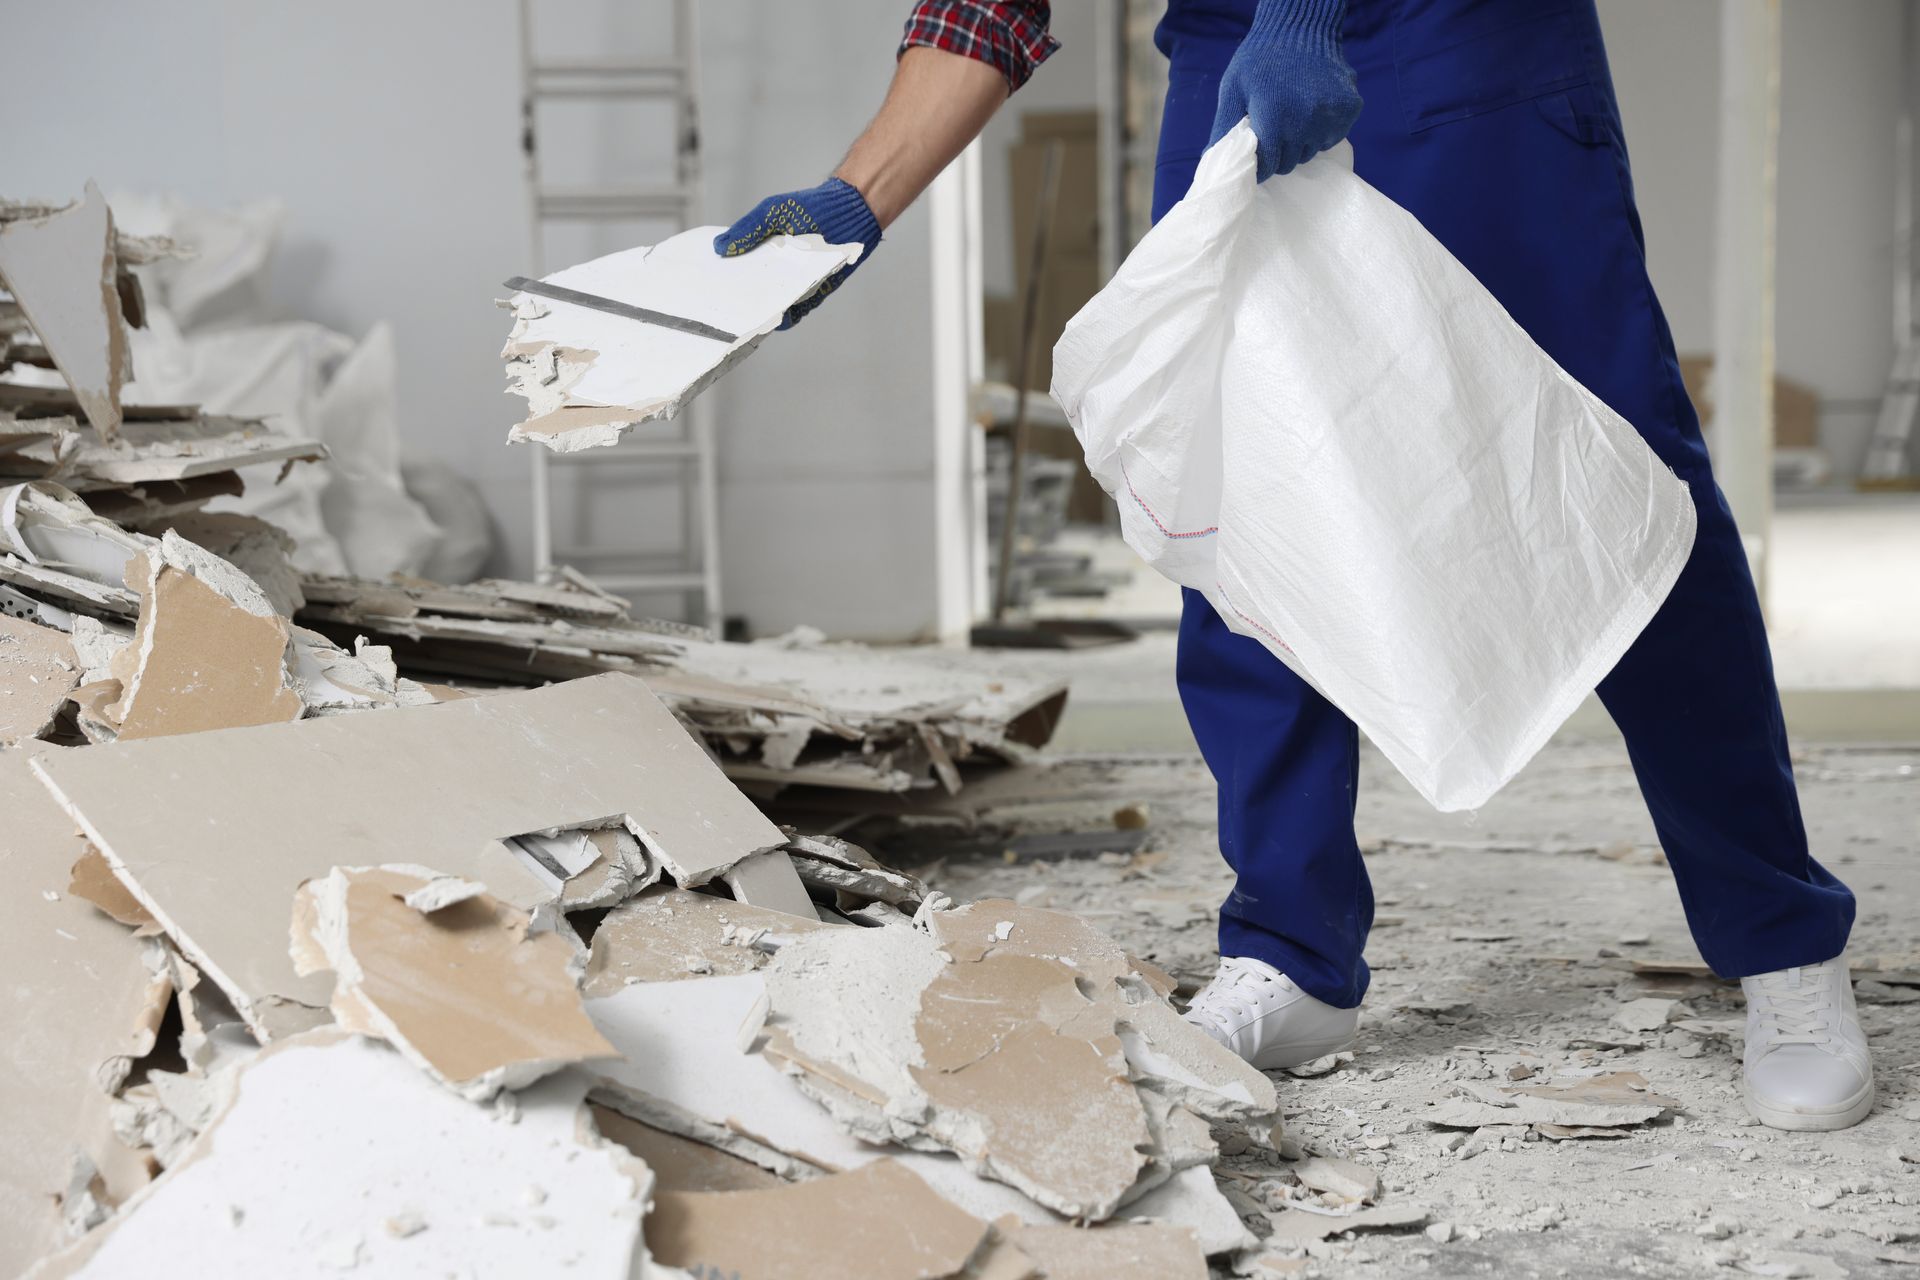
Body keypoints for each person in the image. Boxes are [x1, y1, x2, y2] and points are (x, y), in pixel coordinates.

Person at [714, 0, 1873, 1133]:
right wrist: (857, 198)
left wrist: (1306, 12)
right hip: (1231, 46)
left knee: (1614, 478)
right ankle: (1292, 954)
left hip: (1461, 30)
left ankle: (1782, 938)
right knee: (1238, 495)